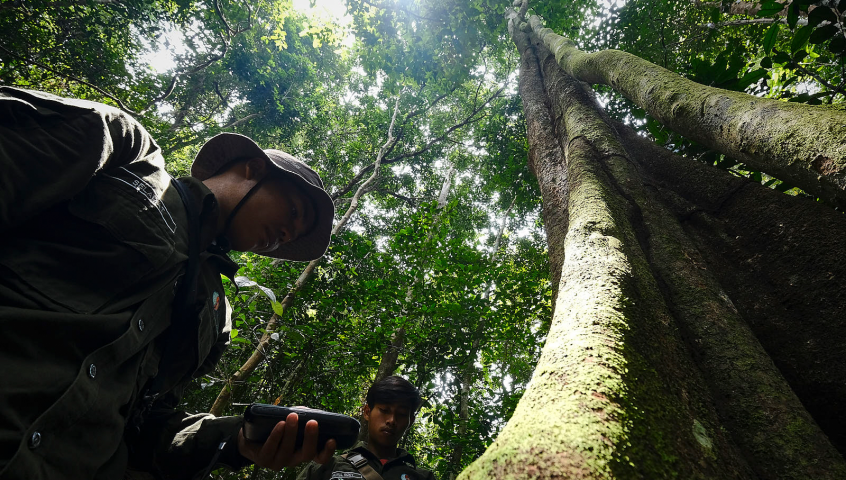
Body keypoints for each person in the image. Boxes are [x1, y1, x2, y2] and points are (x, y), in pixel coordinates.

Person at [0, 86, 338, 479]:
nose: (286, 233)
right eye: (293, 211)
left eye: (293, 237)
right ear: (254, 169)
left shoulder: (217, 316)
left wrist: (238, 440)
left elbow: (147, 428)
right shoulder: (128, 154)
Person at [297, 376, 436, 480]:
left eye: (401, 414)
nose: (392, 421)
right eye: (384, 410)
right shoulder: (329, 465)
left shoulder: (423, 477)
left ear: (410, 421)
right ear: (367, 412)